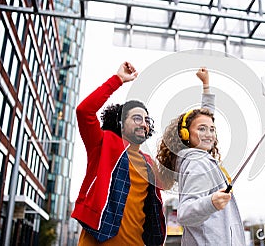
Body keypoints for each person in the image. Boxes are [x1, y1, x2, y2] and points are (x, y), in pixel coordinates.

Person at [71, 62, 214, 245]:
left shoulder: (149, 164)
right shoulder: (102, 144)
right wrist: (118, 80)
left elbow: (197, 139)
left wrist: (206, 89)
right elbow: (84, 111)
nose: (144, 124)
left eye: (147, 120)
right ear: (121, 123)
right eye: (137, 118)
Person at [156, 71, 246, 246]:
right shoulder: (196, 162)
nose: (209, 134)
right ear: (185, 134)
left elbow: (205, 116)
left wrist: (206, 86)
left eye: (212, 129)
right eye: (202, 129)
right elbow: (185, 213)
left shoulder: (198, 157)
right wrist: (211, 202)